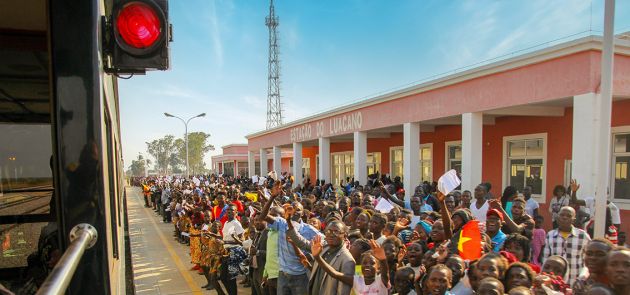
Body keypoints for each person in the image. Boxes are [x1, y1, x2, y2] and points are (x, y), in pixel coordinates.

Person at [258, 182, 322, 295]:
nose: (295, 211)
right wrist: (272, 197)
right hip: (283, 274)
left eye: (298, 209)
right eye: (293, 208)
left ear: (303, 213)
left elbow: (325, 243)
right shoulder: (281, 223)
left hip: (300, 276)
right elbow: (262, 217)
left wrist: (310, 255)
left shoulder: (309, 230)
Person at [288, 219, 356, 295]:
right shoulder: (322, 247)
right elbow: (301, 242)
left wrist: (317, 257)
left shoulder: (347, 259)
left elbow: (344, 290)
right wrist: (288, 220)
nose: (331, 234)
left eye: (336, 231)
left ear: (345, 235)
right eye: (328, 231)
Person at [311, 236, 389, 295]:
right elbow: (334, 273)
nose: (367, 265)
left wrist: (383, 260)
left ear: (378, 267)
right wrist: (317, 257)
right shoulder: (356, 281)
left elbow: (385, 273)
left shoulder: (381, 281)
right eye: (364, 263)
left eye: (372, 263)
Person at [543, 206, 590, 285]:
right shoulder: (550, 235)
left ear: (573, 220)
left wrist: (583, 278)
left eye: (568, 216)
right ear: (558, 217)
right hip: (555, 283)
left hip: (576, 282)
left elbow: (588, 262)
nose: (564, 217)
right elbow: (545, 260)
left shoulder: (583, 236)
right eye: (562, 215)